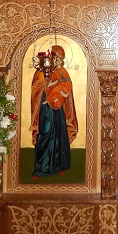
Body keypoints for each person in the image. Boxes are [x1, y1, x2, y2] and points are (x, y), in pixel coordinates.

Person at [29, 45, 79, 177]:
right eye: (55, 57)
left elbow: (67, 86)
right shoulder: (40, 71)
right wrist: (47, 86)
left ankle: (58, 166)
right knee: (45, 134)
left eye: (60, 58)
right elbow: (36, 88)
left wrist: (58, 90)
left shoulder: (62, 71)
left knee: (58, 136)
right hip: (44, 109)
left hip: (58, 110)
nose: (57, 60)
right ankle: (41, 168)